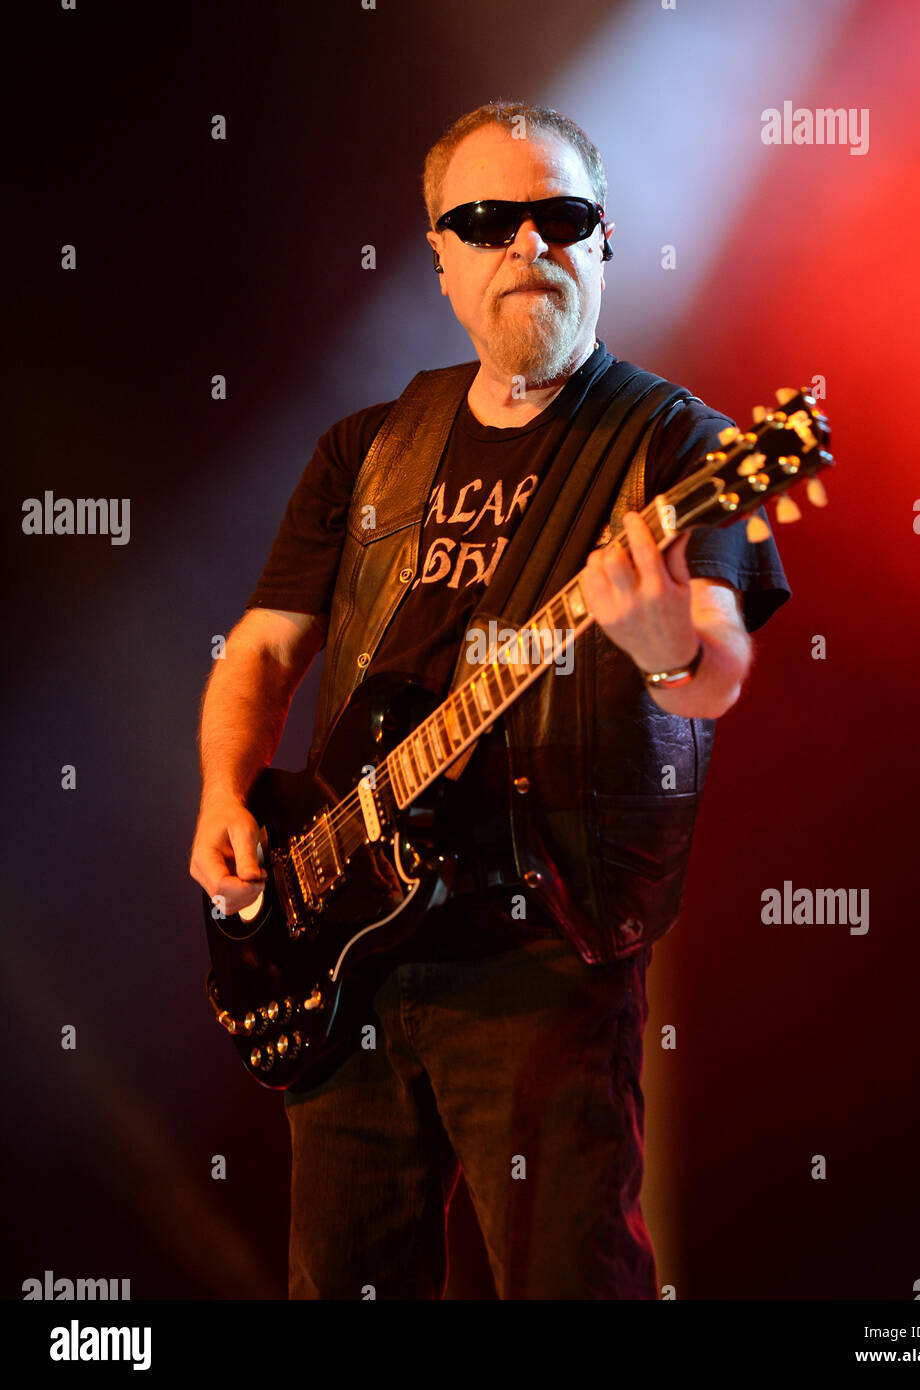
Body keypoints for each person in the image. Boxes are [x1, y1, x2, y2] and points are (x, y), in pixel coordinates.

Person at [189, 100, 791, 1300]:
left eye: (560, 215)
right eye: (488, 220)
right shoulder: (367, 446)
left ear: (603, 239)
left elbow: (715, 664)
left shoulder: (678, 447)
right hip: (341, 950)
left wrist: (664, 639)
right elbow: (260, 650)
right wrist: (220, 791)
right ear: (443, 258)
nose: (529, 245)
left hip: (540, 958)